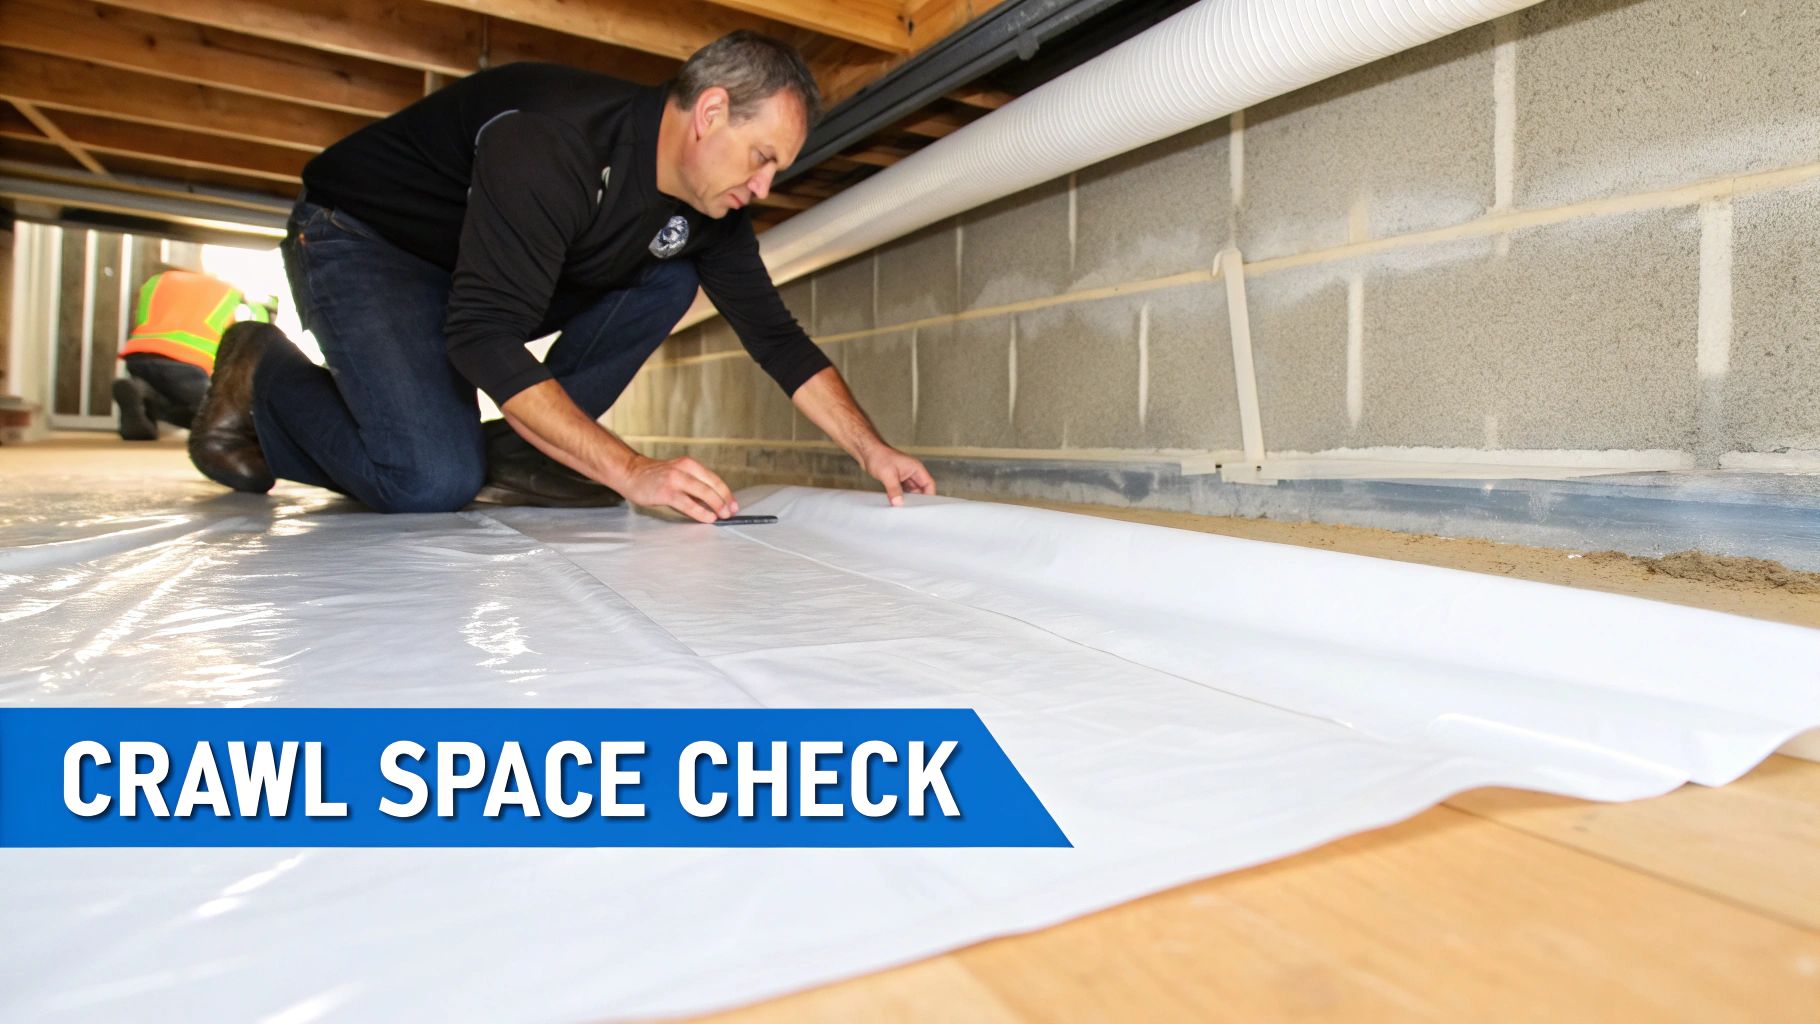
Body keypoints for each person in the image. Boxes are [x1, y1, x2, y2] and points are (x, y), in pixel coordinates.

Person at [187, 31, 935, 522]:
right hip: (367, 242)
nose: (766, 186)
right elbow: (483, 337)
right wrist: (630, 470)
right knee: (427, 481)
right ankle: (262, 369)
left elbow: (777, 338)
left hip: (483, 269)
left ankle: (516, 456)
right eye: (763, 156)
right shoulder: (555, 143)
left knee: (669, 279)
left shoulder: (712, 211)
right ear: (711, 112)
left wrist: (874, 451)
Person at [114, 268, 270, 440]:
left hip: (139, 356)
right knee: (217, 415)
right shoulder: (228, 293)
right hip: (186, 363)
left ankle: (141, 391)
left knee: (167, 395)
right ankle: (146, 397)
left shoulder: (159, 282)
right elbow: (253, 337)